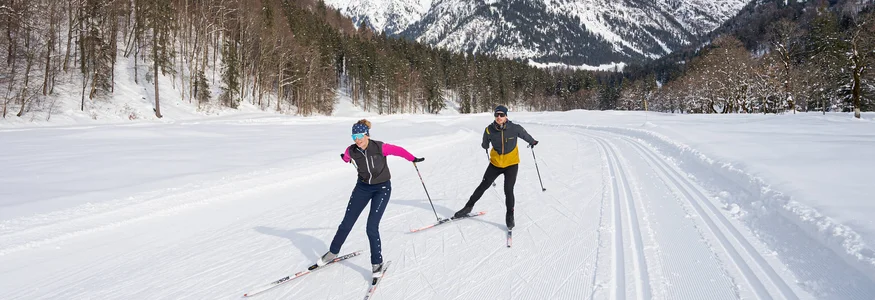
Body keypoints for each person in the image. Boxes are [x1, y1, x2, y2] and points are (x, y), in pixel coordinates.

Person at [313, 119, 424, 279]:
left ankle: (376, 263)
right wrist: (345, 159)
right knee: (346, 223)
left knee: (371, 227)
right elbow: (346, 157)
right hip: (362, 188)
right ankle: (332, 252)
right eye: (354, 137)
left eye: (359, 136)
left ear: (366, 135)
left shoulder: (380, 147)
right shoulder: (352, 150)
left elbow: (399, 150)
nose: (357, 140)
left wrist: (412, 158)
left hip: (382, 188)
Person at [453, 105, 538, 230]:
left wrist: (532, 141)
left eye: (501, 115)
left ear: (506, 116)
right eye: (497, 115)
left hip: (511, 164)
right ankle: (468, 207)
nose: (499, 117)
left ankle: (510, 215)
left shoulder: (515, 128)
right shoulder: (489, 130)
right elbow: (485, 144)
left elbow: (526, 136)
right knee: (483, 185)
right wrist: (485, 144)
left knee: (508, 190)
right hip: (495, 164)